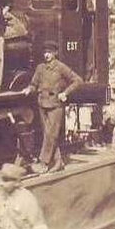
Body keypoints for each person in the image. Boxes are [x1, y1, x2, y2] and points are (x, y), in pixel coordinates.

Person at [23, 41, 82, 173]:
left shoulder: (61, 67)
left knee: (51, 134)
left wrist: (65, 93)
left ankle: (43, 163)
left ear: (55, 53)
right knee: (48, 135)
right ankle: (58, 162)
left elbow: (78, 80)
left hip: (55, 105)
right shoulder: (40, 68)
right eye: (45, 52)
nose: (46, 55)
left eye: (49, 52)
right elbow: (34, 84)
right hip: (42, 103)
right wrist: (29, 89)